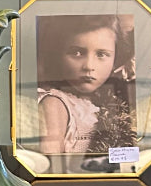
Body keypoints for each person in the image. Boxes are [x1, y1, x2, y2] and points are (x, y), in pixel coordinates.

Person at [36, 15, 136, 171]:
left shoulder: (110, 101)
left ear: (115, 60)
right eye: (77, 53)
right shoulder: (55, 102)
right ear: (58, 55)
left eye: (101, 54)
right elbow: (51, 166)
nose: (89, 66)